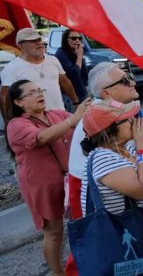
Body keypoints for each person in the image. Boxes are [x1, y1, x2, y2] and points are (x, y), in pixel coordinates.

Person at [64, 62, 143, 275]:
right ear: (106, 92)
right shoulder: (101, 144)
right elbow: (141, 183)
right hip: (115, 228)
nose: (133, 82)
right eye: (125, 80)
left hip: (130, 217)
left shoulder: (118, 139)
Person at [6, 80, 91, 276]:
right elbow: (41, 138)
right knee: (53, 231)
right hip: (42, 184)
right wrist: (73, 119)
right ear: (18, 102)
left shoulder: (55, 114)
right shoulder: (16, 125)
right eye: (32, 92)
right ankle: (58, 272)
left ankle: (81, 264)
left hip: (69, 180)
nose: (39, 94)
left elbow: (83, 123)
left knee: (81, 222)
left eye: (39, 90)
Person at [1, 28, 80, 121]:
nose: (38, 43)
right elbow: (4, 97)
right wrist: (9, 122)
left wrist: (76, 102)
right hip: (33, 121)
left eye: (39, 39)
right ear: (20, 46)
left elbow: (65, 82)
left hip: (60, 115)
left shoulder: (52, 60)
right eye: (32, 41)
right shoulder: (12, 67)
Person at [54, 29, 89, 109]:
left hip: (82, 92)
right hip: (70, 95)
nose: (77, 40)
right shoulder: (60, 53)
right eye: (73, 38)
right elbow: (75, 74)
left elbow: (83, 74)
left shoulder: (76, 51)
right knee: (75, 118)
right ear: (66, 40)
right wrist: (80, 56)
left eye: (79, 38)